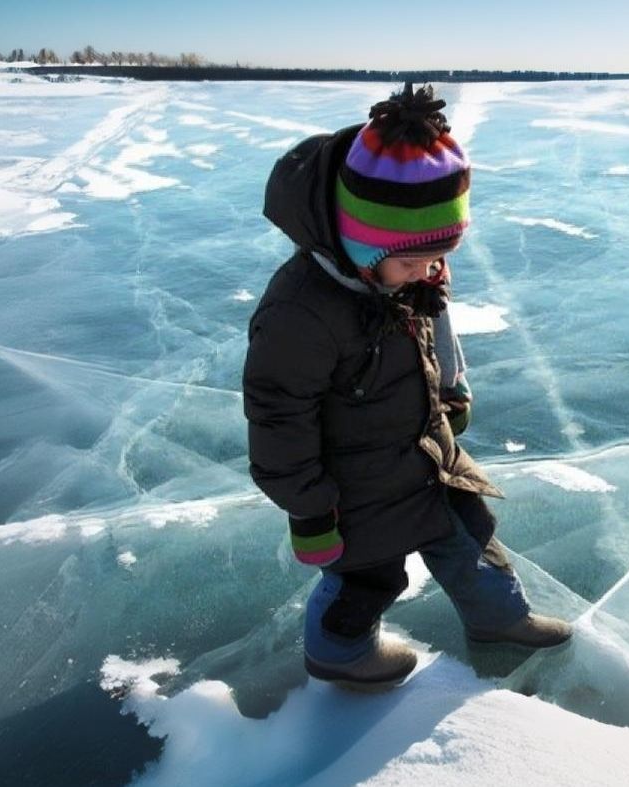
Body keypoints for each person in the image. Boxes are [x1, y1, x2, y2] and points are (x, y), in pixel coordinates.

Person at [243, 83, 571, 691]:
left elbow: (435, 333)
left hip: (425, 453)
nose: (430, 272)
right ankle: (338, 652)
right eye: (413, 262)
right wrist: (312, 510)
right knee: (368, 577)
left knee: (471, 536)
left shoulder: (408, 273)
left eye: (440, 256)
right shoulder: (301, 313)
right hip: (356, 487)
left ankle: (501, 620)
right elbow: (277, 419)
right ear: (361, 245)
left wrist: (453, 391)